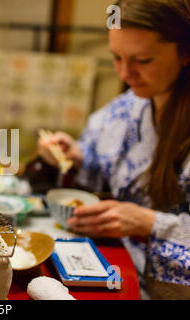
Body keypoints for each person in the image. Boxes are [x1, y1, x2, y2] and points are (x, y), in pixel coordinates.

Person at [37, 0, 189, 299]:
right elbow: (98, 164)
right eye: (117, 57)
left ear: (185, 52)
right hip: (112, 267)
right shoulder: (128, 109)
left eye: (142, 60)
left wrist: (149, 223)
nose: (125, 73)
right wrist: (73, 157)